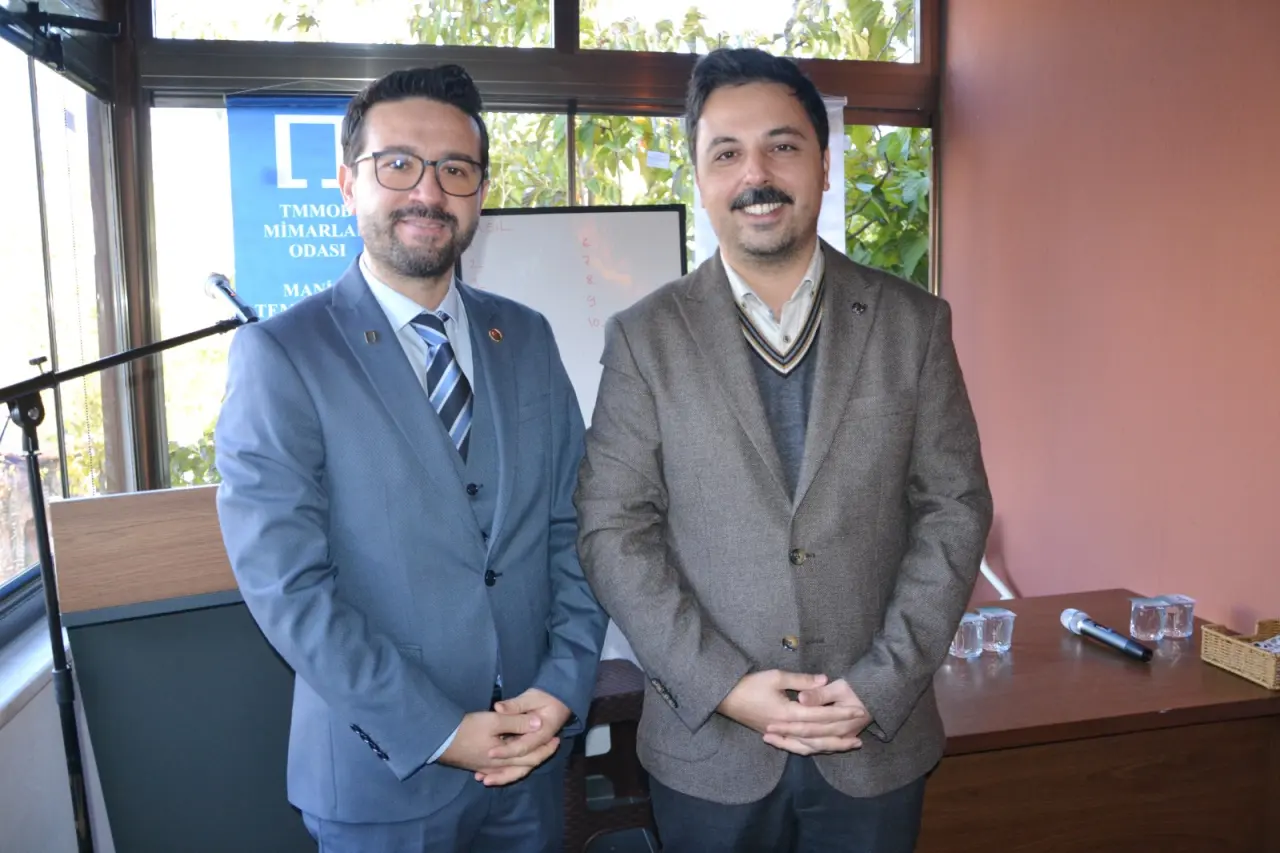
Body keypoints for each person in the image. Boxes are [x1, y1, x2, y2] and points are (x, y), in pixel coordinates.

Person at [574, 48, 993, 852]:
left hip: (873, 741)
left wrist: (880, 683)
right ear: (700, 177)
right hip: (709, 750)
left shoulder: (913, 324)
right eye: (726, 153)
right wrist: (724, 686)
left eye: (783, 146)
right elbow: (611, 529)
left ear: (824, 165)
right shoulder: (644, 338)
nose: (755, 174)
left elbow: (956, 508)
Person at [214, 64, 606, 852]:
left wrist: (562, 686)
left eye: (455, 168)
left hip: (532, 759)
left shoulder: (527, 336)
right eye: (397, 163)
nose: (428, 190)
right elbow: (288, 586)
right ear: (346, 183)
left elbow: (577, 528)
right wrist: (436, 728)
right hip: (382, 778)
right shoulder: (282, 354)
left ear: (480, 193)